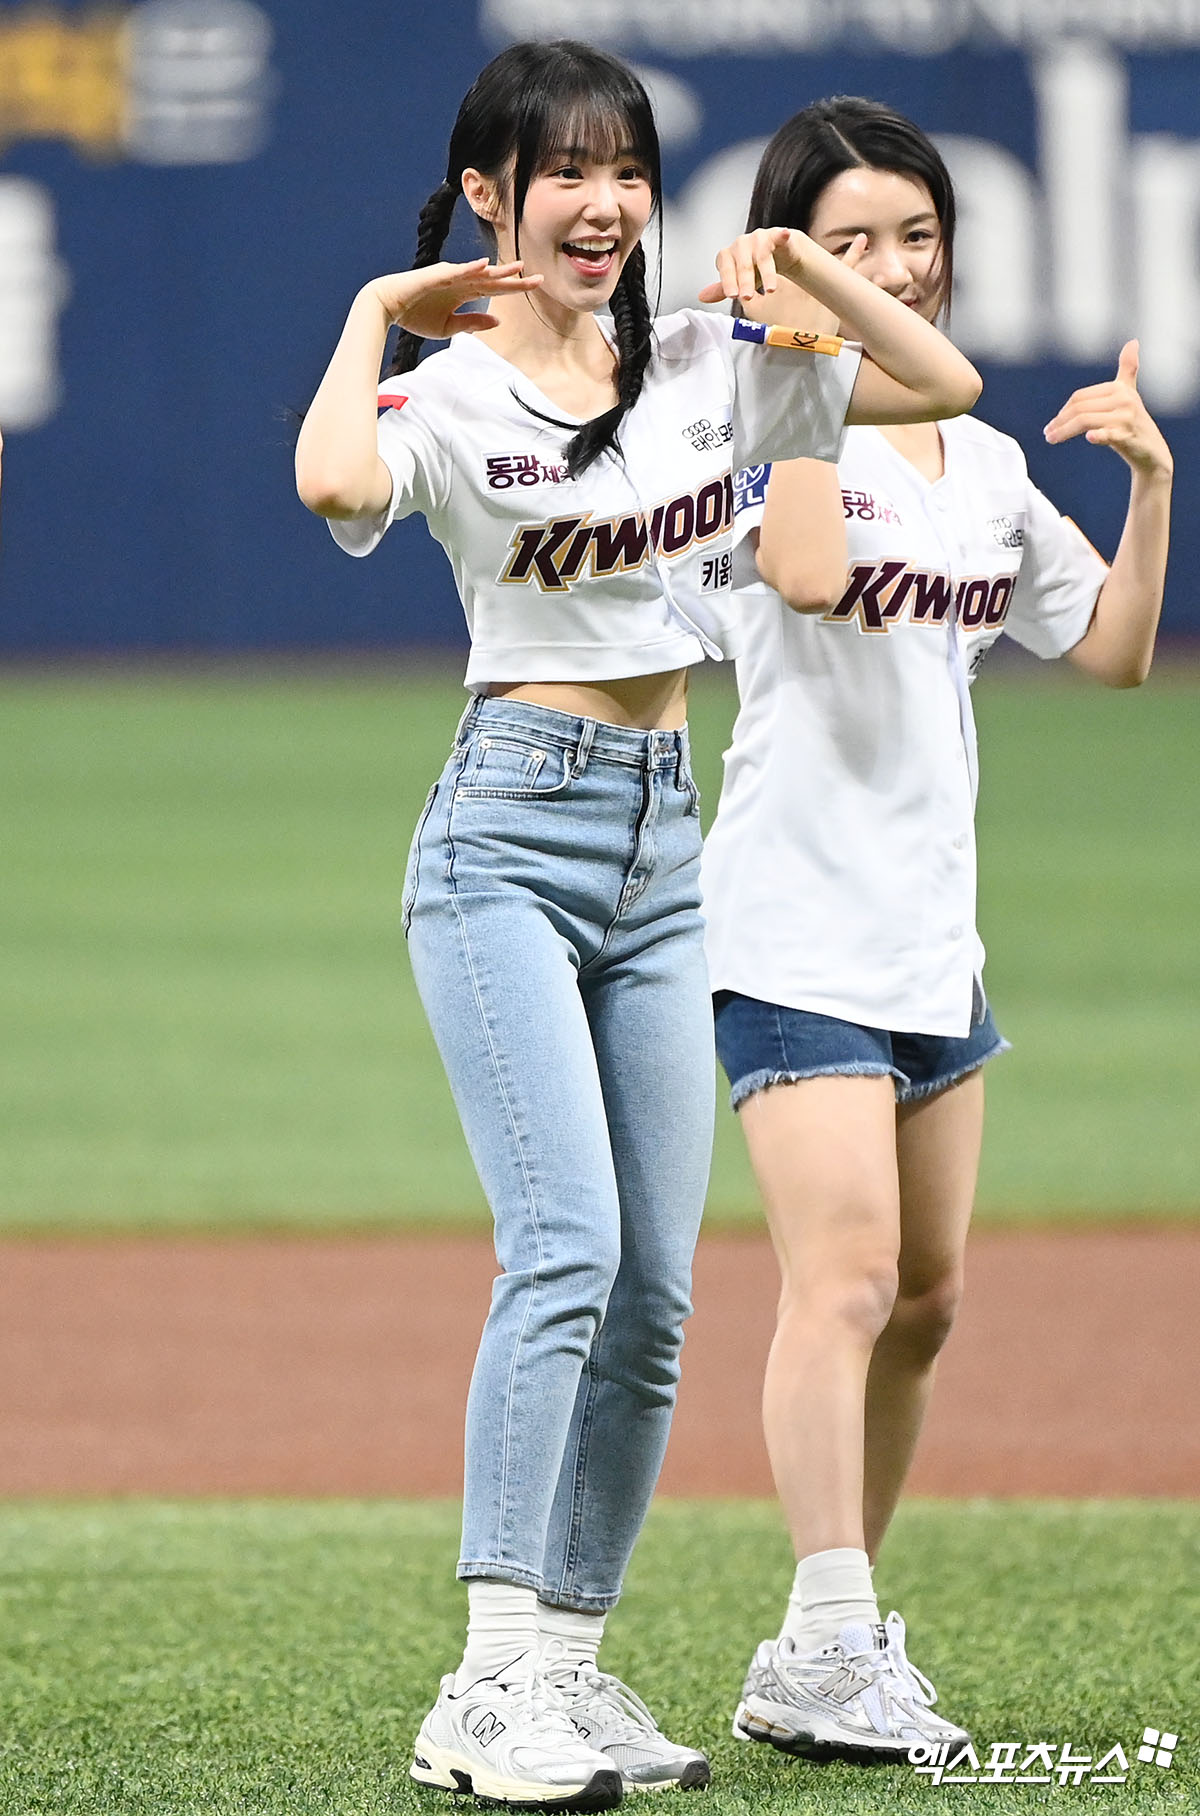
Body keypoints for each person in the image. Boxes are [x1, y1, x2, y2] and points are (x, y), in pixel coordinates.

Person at [295, 46, 981, 1809]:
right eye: (566, 172)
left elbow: (942, 377)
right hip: (506, 838)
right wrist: (376, 309)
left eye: (628, 171)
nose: (604, 205)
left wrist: (802, 270)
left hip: (667, 847)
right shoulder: (452, 394)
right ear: (490, 197)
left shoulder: (699, 360)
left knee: (659, 1295)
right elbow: (334, 488)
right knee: (567, 1249)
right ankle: (485, 1683)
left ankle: (570, 1668)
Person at [700, 96, 1172, 1762]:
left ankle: (816, 1643)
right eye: (852, 239)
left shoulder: (981, 468)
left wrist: (1149, 484)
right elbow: (807, 576)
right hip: (791, 924)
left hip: (929, 937)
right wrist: (803, 332)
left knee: (927, 1303)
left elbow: (1109, 650)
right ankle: (837, 1635)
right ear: (791, 254)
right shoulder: (767, 417)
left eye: (916, 235)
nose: (897, 265)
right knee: (843, 1281)